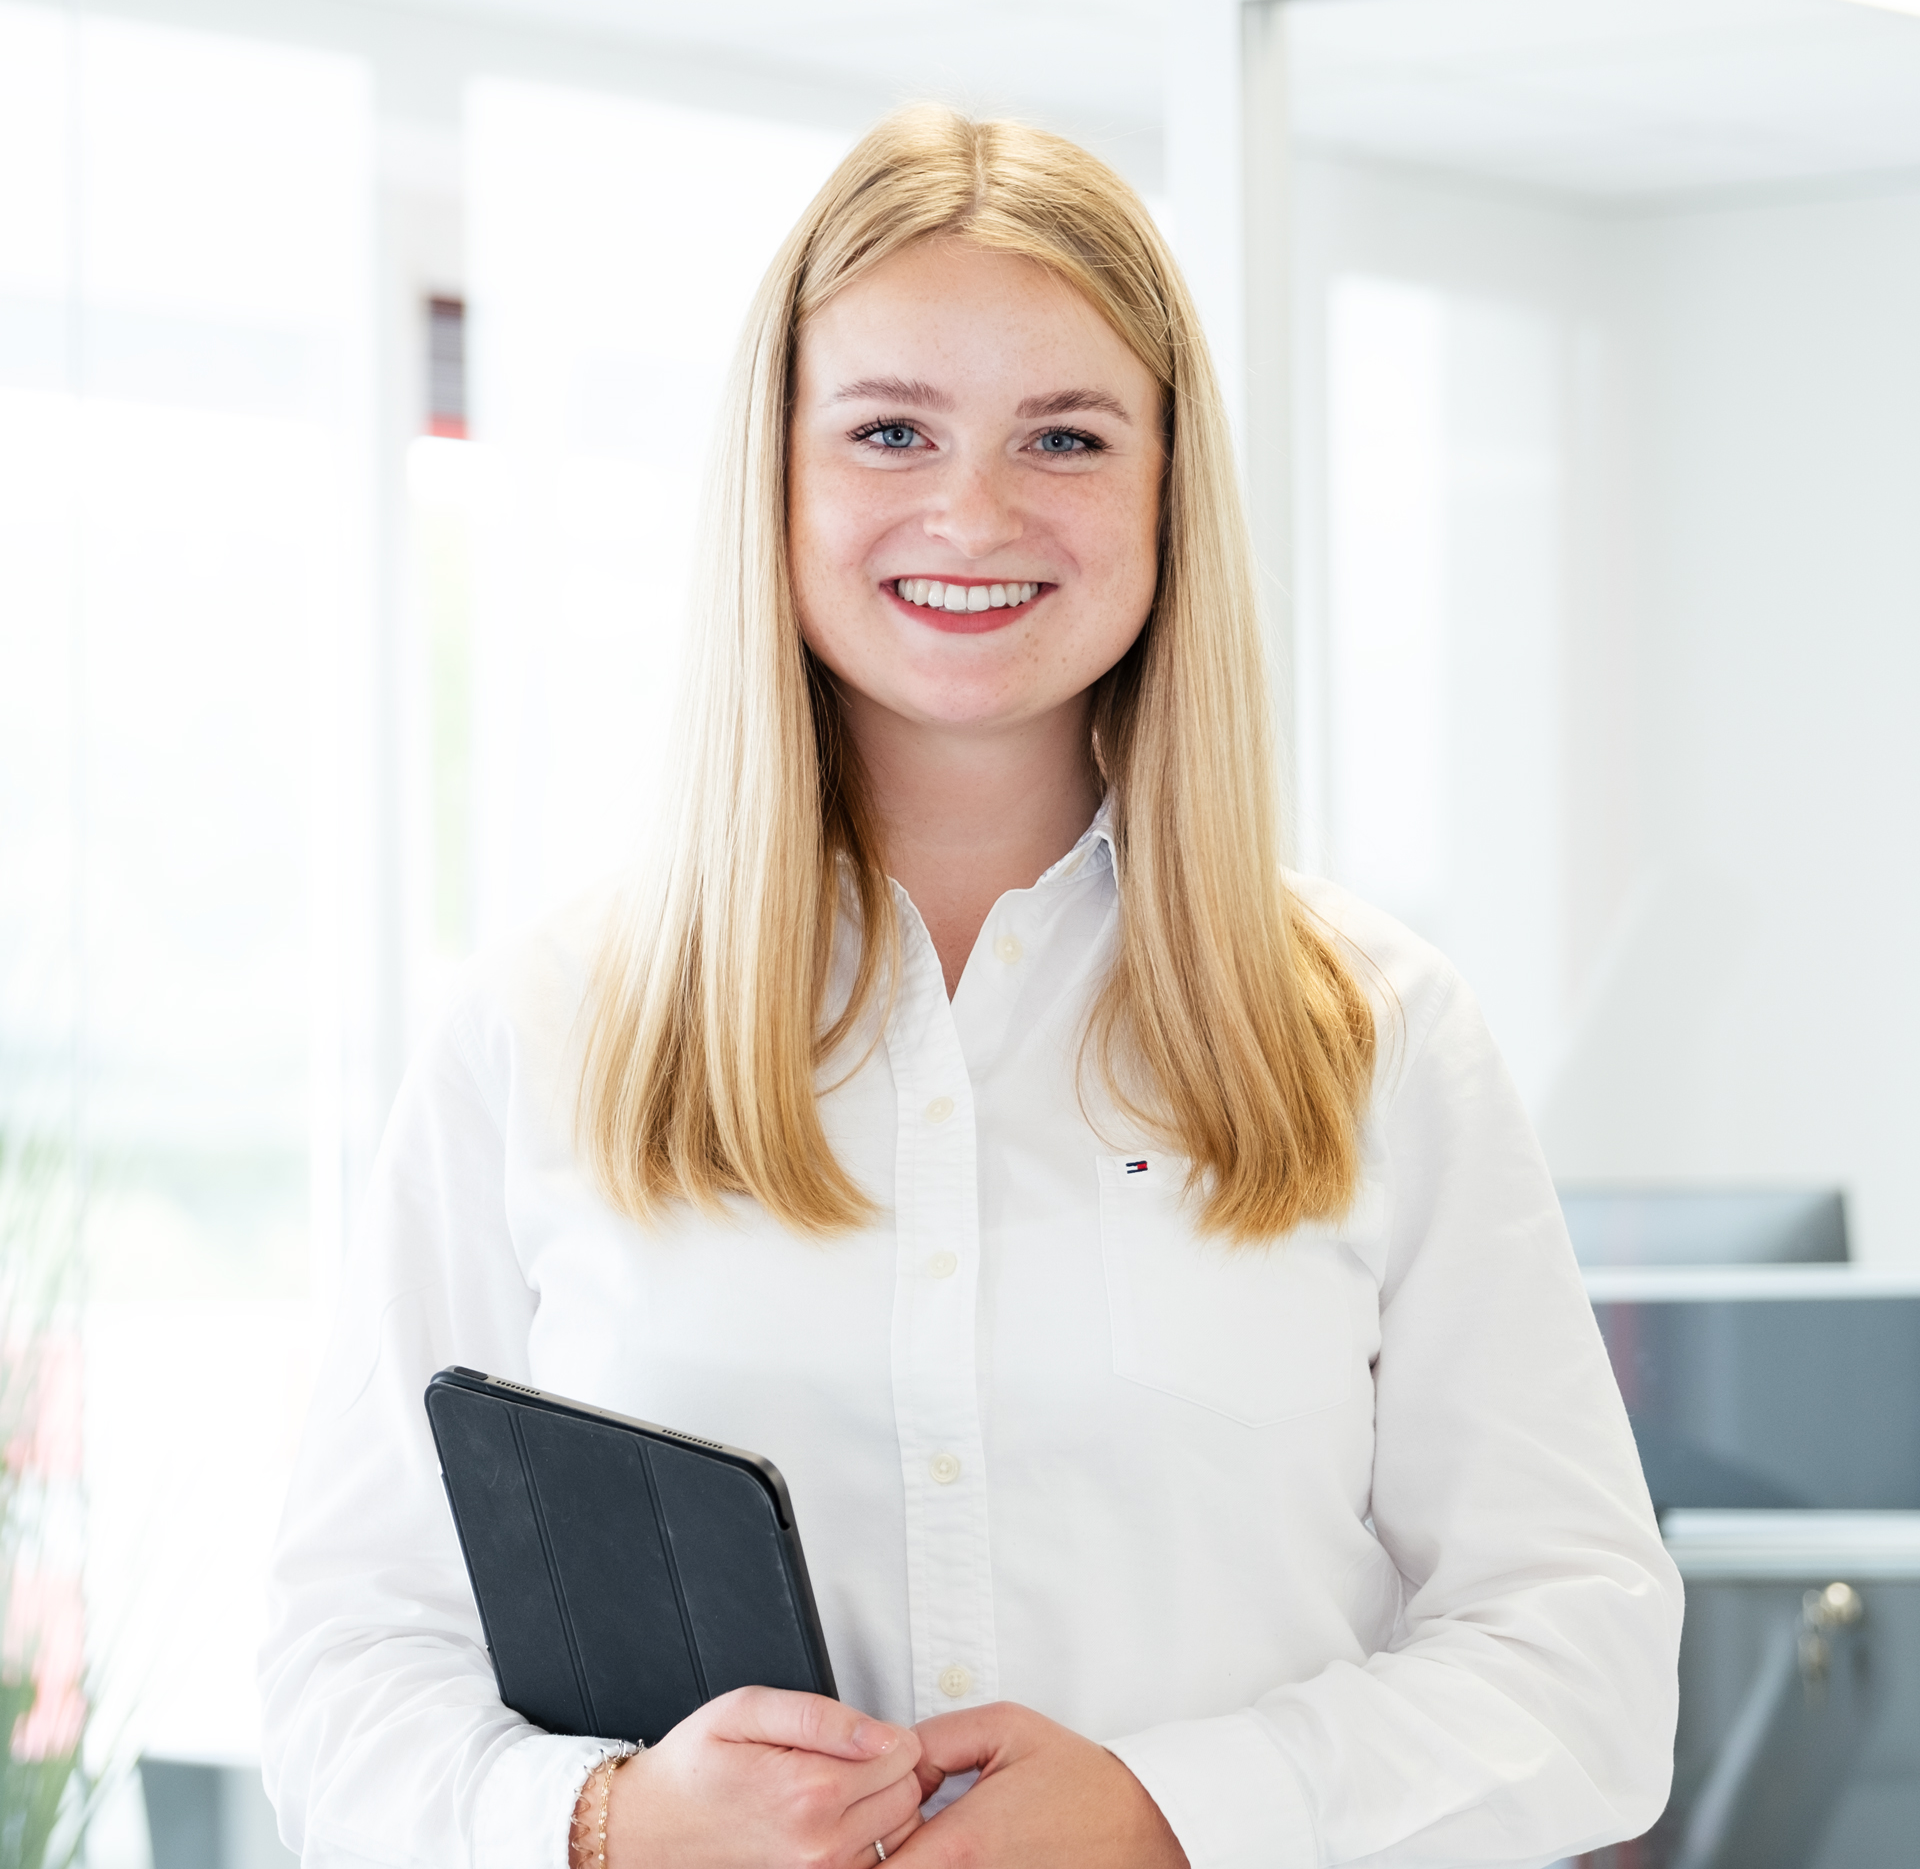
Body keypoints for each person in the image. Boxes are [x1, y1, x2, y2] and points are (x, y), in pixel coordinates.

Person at [260, 105, 1681, 1869]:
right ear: (778, 474)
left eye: (1066, 436)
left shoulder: (1376, 1034)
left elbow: (1589, 1668)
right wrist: (604, 1823)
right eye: (889, 430)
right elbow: (344, 1665)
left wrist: (1175, 1812)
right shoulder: (546, 1031)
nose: (972, 509)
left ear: (1169, 488)